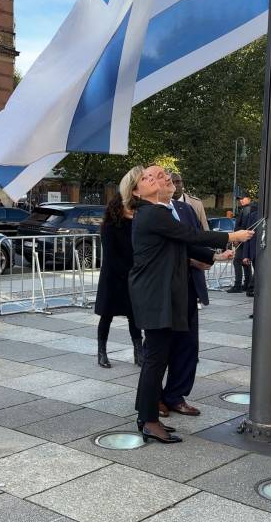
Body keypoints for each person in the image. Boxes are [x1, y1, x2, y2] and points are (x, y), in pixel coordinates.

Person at [121, 165, 254, 444]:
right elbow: (190, 235)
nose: (155, 178)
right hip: (154, 296)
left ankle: (147, 416)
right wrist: (232, 236)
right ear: (136, 191)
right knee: (155, 360)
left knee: (156, 359)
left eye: (156, 175)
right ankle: (148, 420)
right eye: (146, 177)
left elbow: (182, 244)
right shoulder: (152, 212)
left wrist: (216, 255)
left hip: (158, 295)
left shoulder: (154, 213)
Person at [145, 166, 233, 417]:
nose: (173, 182)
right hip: (164, 291)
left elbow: (197, 238)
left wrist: (215, 256)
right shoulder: (151, 212)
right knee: (160, 349)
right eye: (166, 178)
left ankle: (175, 395)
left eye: (176, 179)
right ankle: (154, 399)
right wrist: (225, 239)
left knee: (187, 347)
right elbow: (171, 249)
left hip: (188, 287)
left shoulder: (187, 208)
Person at [94, 193, 142, 369]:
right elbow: (110, 255)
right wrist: (128, 272)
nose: (133, 209)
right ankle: (102, 352)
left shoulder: (136, 224)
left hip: (132, 276)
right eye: (130, 206)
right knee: (106, 316)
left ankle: (139, 352)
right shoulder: (109, 226)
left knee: (134, 316)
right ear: (119, 207)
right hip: (113, 277)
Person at [227, 191, 258, 294]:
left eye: (243, 198)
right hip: (247, 238)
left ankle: (238, 285)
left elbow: (244, 225)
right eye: (240, 199)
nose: (240, 200)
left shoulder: (247, 209)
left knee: (237, 261)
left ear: (249, 198)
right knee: (245, 262)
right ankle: (247, 283)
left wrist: (237, 237)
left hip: (243, 238)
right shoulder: (249, 208)